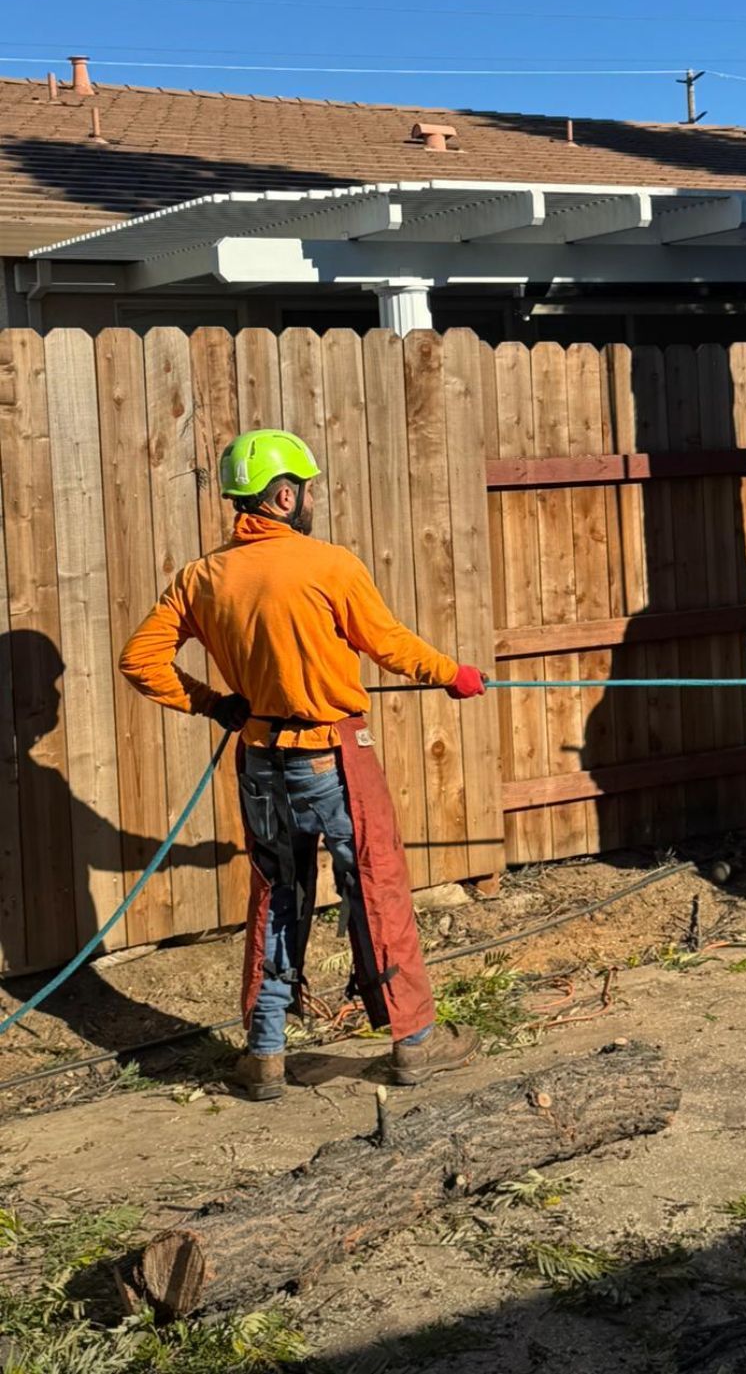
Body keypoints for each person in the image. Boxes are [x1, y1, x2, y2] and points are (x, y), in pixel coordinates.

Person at [118, 428, 488, 1102]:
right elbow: (389, 644)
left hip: (258, 759)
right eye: (308, 489)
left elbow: (139, 661)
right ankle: (413, 1043)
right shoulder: (329, 565)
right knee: (373, 889)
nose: (312, 499)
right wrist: (452, 673)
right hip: (332, 757)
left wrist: (212, 703)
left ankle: (264, 1055)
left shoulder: (200, 578)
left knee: (276, 897)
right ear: (284, 495)